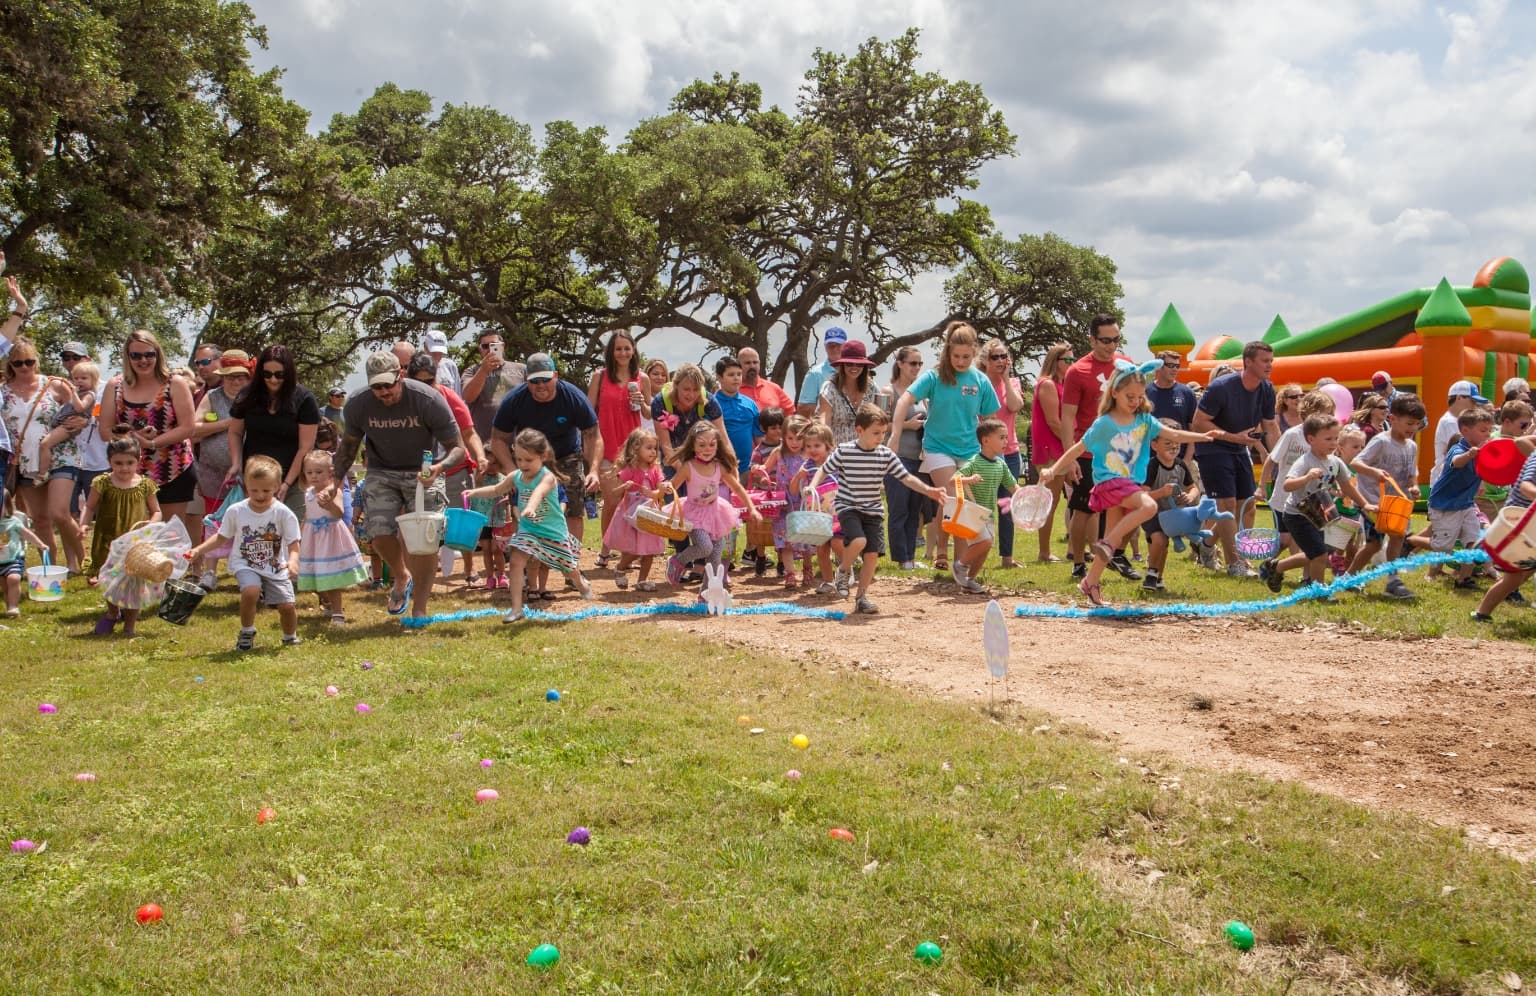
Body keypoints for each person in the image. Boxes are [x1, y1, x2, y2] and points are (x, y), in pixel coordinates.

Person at [1039, 361, 1213, 606]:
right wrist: (1054, 469)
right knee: (1148, 507)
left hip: (1128, 483)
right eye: (1129, 396)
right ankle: (1107, 544)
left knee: (1114, 537)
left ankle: (1090, 583)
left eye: (1139, 396)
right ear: (1114, 393)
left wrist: (1202, 437)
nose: (1134, 400)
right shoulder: (1105, 424)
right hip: (1111, 483)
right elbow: (1077, 449)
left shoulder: (1144, 420)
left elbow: (1172, 434)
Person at [336, 351, 466, 619]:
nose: (383, 392)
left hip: (424, 470)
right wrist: (332, 482)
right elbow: (348, 449)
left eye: (388, 385)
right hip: (381, 470)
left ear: (401, 376)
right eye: (377, 387)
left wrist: (440, 467)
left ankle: (419, 608)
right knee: (378, 531)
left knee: (425, 541)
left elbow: (458, 449)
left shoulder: (427, 399)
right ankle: (401, 576)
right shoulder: (358, 404)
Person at [809, 405, 946, 613]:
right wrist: (812, 486)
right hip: (848, 507)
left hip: (873, 511)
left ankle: (861, 598)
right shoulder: (844, 451)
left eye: (883, 433)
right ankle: (844, 571)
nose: (880, 437)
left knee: (871, 556)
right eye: (876, 433)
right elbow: (824, 470)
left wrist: (929, 490)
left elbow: (906, 478)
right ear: (860, 430)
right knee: (859, 541)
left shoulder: (886, 455)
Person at [888, 321, 999, 574]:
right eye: (956, 356)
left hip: (969, 448)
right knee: (952, 498)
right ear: (948, 352)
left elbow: (992, 418)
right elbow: (905, 398)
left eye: (966, 357)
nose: (960, 361)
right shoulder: (934, 376)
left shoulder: (980, 380)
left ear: (975, 353)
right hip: (938, 447)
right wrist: (895, 433)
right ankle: (943, 553)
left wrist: (993, 446)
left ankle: (959, 564)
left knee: (961, 503)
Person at [464, 428, 593, 623]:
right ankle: (517, 609)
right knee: (516, 561)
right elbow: (496, 489)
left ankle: (580, 583)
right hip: (529, 531)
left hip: (553, 533)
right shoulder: (516, 476)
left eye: (528, 460)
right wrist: (474, 493)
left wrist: (531, 507)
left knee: (568, 568)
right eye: (519, 459)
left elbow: (538, 493)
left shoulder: (547, 477)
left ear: (543, 456)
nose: (523, 464)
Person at [189, 455, 302, 650]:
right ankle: (247, 631)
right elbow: (221, 537)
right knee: (251, 591)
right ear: (245, 486)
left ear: (276, 486)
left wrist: (293, 562)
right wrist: (198, 550)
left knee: (287, 606)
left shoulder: (283, 513)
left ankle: (289, 636)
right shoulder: (236, 511)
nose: (259, 495)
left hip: (275, 565)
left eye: (266, 490)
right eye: (253, 490)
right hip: (245, 563)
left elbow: (293, 542)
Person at [1191, 341, 1280, 578]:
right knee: (1228, 506)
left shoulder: (1267, 389)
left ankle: (1207, 545)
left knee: (1247, 505)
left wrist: (1280, 458)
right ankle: (1235, 563)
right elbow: (1198, 423)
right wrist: (1235, 437)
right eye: (1264, 360)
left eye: (1271, 361)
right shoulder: (1221, 387)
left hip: (1240, 449)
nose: (1269, 365)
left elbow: (1270, 426)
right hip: (1213, 449)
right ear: (1248, 362)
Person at [491, 353, 601, 544]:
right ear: (527, 379)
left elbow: (592, 435)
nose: (540, 385)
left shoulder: (573, 397)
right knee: (523, 509)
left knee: (573, 510)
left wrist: (594, 470)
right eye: (534, 381)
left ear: (555, 376)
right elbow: (498, 439)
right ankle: (525, 566)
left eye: (545, 379)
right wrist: (512, 471)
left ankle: (570, 565)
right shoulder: (514, 400)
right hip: (529, 460)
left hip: (566, 457)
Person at [1055, 315, 1132, 581]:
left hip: (1121, 452)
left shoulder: (1126, 366)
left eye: (1116, 339)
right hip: (1089, 451)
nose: (1111, 346)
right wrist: (1069, 459)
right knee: (1084, 508)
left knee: (1124, 506)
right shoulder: (1078, 370)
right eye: (1105, 340)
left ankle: (1116, 555)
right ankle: (1078, 561)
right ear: (1092, 339)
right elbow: (1067, 418)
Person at [99, 329, 199, 536]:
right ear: (128, 357)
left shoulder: (175, 383)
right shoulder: (115, 386)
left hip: (173, 467)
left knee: (170, 532)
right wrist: (132, 438)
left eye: (149, 355)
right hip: (129, 470)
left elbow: (188, 427)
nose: (143, 360)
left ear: (157, 354)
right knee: (133, 529)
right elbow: (105, 430)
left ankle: (170, 568)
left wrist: (153, 443)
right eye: (136, 355)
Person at [1261, 415, 1374, 593]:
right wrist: (1307, 477)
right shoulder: (1305, 461)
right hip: (1298, 515)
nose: (1333, 443)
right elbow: (1287, 485)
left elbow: (1348, 487)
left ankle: (1277, 567)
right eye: (1328, 439)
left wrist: (1365, 504)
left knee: (1319, 552)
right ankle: (1318, 591)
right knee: (1319, 554)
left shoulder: (1335, 462)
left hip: (1321, 512)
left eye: (1335, 438)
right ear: (1311, 439)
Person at [661, 421, 761, 590]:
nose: (707, 449)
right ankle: (677, 561)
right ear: (692, 446)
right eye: (702, 445)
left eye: (712, 445)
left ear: (717, 446)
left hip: (715, 513)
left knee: (715, 554)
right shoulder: (688, 467)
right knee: (705, 546)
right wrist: (664, 487)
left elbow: (736, 487)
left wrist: (752, 508)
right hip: (694, 513)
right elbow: (672, 486)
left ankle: (707, 593)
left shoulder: (719, 467)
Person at [1346, 392, 1426, 599]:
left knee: (1397, 538)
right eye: (1409, 423)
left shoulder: (1412, 446)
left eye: (1416, 424)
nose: (1412, 428)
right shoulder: (1381, 442)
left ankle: (1392, 580)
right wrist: (1375, 472)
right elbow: (1356, 463)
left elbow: (1411, 475)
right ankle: (1350, 577)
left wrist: (1414, 487)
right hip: (1372, 501)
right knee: (1374, 544)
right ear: (1393, 419)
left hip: (1395, 503)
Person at [226, 344, 319, 520]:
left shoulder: (304, 398)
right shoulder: (247, 395)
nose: (273, 380)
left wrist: (285, 484)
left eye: (279, 375)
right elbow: (235, 432)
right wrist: (236, 464)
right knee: (255, 533)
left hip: (292, 481)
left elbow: (305, 447)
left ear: (289, 373)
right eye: (267, 374)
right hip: (255, 480)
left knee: (291, 534)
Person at [78, 438, 160, 625]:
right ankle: (113, 613)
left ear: (138, 461)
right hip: (108, 540)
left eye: (130, 463)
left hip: (135, 544)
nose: (124, 468)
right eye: (118, 463)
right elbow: (89, 507)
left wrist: (151, 523)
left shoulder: (145, 484)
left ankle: (130, 624)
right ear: (109, 462)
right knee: (110, 580)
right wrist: (83, 524)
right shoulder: (102, 482)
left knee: (134, 582)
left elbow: (156, 511)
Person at [187, 350, 250, 590]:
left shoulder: (255, 399)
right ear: (222, 376)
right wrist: (229, 423)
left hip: (249, 474)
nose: (236, 382)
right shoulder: (213, 397)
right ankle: (209, 573)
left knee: (248, 522)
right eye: (230, 376)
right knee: (213, 522)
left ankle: (247, 570)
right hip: (214, 473)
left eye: (241, 377)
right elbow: (194, 428)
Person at [587, 332, 650, 570]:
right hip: (606, 446)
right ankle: (605, 549)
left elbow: (647, 413)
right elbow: (588, 411)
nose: (623, 353)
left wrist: (642, 400)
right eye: (618, 349)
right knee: (612, 501)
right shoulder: (599, 377)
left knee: (631, 502)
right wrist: (588, 445)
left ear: (633, 350)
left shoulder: (641, 378)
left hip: (633, 449)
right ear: (610, 352)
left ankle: (627, 552)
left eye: (627, 348)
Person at [1, 337, 64, 565]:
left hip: (56, 460)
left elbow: (83, 405)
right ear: (10, 365)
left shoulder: (54, 384)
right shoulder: (3, 392)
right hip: (23, 463)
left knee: (61, 515)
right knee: (39, 518)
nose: (25, 367)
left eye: (29, 361)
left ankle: (73, 564)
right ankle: (47, 566)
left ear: (36, 361)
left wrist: (73, 423)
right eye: (18, 363)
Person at [35, 359, 99, 572]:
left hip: (71, 452)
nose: (78, 381)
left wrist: (71, 391)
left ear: (93, 380)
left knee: (45, 444)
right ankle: (71, 563)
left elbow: (81, 409)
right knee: (58, 515)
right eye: (76, 378)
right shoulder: (72, 392)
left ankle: (41, 473)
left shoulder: (87, 395)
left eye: (83, 378)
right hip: (63, 437)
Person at [295, 449, 368, 624]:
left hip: (330, 537)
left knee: (331, 576)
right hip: (313, 538)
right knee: (314, 574)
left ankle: (337, 612)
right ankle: (327, 603)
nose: (314, 476)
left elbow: (339, 513)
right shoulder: (308, 493)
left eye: (318, 472)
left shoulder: (334, 491)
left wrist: (329, 505)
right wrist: (301, 533)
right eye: (309, 472)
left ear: (330, 472)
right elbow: (308, 515)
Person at [1426, 407, 1494, 590]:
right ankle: (1431, 574)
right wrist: (1470, 454)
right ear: (1465, 430)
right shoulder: (1459, 448)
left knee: (1474, 540)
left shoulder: (1483, 450)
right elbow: (1457, 462)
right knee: (1444, 545)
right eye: (1483, 430)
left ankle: (1464, 579)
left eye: (1489, 430)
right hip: (1445, 505)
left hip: (1466, 504)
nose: (1487, 434)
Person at [951, 417, 1018, 592]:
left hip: (987, 515)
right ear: (985, 441)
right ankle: (960, 565)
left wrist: (1028, 497)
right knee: (985, 542)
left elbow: (1013, 487)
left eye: (1006, 437)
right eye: (1001, 437)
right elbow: (954, 480)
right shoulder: (975, 461)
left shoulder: (1001, 465)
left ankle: (969, 580)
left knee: (985, 548)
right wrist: (969, 479)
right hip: (972, 513)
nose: (1006, 441)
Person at [885, 346, 935, 571]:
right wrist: (906, 425)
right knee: (899, 510)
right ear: (900, 364)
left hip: (919, 460)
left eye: (919, 364)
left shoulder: (921, 395)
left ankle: (910, 558)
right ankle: (901, 558)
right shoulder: (888, 391)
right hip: (897, 459)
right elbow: (877, 424)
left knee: (916, 511)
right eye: (912, 363)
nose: (916, 368)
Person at [1472, 447, 1536, 622]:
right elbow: (1525, 486)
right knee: (1514, 577)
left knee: (1520, 574)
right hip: (1519, 522)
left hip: (1532, 527)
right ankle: (1481, 614)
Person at [1139, 419, 1203, 592]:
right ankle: (1151, 574)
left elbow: (1194, 488)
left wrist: (1189, 497)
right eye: (1168, 443)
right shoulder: (1151, 466)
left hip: (1171, 515)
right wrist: (1161, 493)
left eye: (1177, 444)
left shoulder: (1181, 465)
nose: (1173, 448)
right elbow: (1142, 495)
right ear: (1154, 445)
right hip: (1152, 512)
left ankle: (1159, 577)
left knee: (1164, 545)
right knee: (1158, 539)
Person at [602, 427, 666, 592]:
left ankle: (642, 580)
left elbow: (659, 492)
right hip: (631, 515)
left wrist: (654, 492)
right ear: (636, 449)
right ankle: (621, 567)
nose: (653, 452)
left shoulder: (655, 470)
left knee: (649, 549)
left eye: (655, 448)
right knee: (633, 548)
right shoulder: (630, 469)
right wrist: (625, 486)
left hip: (649, 513)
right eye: (648, 448)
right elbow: (614, 493)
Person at [1029, 343, 1073, 564]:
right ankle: (1044, 552)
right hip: (1051, 450)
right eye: (1067, 360)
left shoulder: (1063, 384)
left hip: (1062, 448)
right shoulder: (1047, 384)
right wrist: (1072, 446)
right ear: (1056, 361)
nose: (1071, 364)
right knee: (1049, 501)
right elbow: (1054, 422)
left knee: (1061, 500)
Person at [763, 415, 816, 589]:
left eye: (799, 438)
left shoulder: (808, 454)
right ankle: (790, 574)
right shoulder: (778, 452)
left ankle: (808, 569)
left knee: (806, 538)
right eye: (790, 438)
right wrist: (760, 471)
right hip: (784, 503)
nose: (794, 442)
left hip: (803, 502)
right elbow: (766, 469)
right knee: (784, 539)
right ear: (783, 437)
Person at [58, 341, 109, 518]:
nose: (71, 361)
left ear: (88, 359)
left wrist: (87, 421)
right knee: (68, 512)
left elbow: (110, 418)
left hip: (98, 458)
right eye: (66, 357)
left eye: (76, 357)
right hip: (68, 458)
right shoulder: (61, 388)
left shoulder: (106, 388)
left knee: (101, 512)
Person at [651, 364, 729, 468]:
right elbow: (666, 446)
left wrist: (731, 466)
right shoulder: (660, 402)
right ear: (676, 385)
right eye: (686, 389)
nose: (691, 395)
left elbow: (724, 439)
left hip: (699, 456)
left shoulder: (709, 400)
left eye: (696, 390)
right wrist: (686, 474)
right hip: (671, 457)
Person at [460, 331, 527, 443]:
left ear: (503, 346)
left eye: (494, 345)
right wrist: (484, 370)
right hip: (484, 442)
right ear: (480, 349)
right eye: (485, 346)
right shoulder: (472, 371)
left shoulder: (522, 369)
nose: (489, 350)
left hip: (518, 443)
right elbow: (468, 397)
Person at [816, 341, 884, 445]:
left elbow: (881, 417)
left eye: (859, 364)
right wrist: (824, 443)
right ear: (842, 365)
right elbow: (824, 419)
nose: (854, 367)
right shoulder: (830, 387)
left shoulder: (871, 387)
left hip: (865, 450)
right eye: (849, 363)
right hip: (837, 451)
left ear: (864, 366)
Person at [1431, 380, 1489, 485]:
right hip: (1448, 482)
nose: (1475, 405)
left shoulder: (1457, 420)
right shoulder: (1450, 422)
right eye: (1472, 401)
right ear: (1459, 398)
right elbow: (1464, 448)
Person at [0, 492, 47, 618]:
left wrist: (40, 544)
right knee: (5, 586)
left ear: (7, 506)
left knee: (13, 579)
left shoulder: (13, 521)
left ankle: (14, 606)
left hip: (14, 558)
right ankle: (9, 606)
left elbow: (27, 534)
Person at [717, 354, 764, 463]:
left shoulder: (750, 404)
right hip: (720, 468)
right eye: (731, 375)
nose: (736, 378)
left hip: (748, 467)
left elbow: (758, 437)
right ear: (719, 378)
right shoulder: (712, 405)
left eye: (739, 374)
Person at [796, 326, 848, 417]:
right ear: (825, 346)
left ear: (846, 346)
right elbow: (803, 408)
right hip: (824, 428)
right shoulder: (815, 374)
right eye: (831, 345)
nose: (835, 348)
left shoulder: (855, 370)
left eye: (839, 345)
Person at [737, 347, 794, 416]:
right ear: (738, 366)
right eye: (747, 363)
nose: (752, 366)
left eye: (755, 362)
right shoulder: (733, 391)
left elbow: (791, 413)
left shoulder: (774, 388)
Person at [422, 330, 460, 394]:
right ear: (425, 348)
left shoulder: (450, 366)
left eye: (440, 352)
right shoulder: (417, 368)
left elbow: (458, 394)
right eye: (433, 352)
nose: (437, 356)